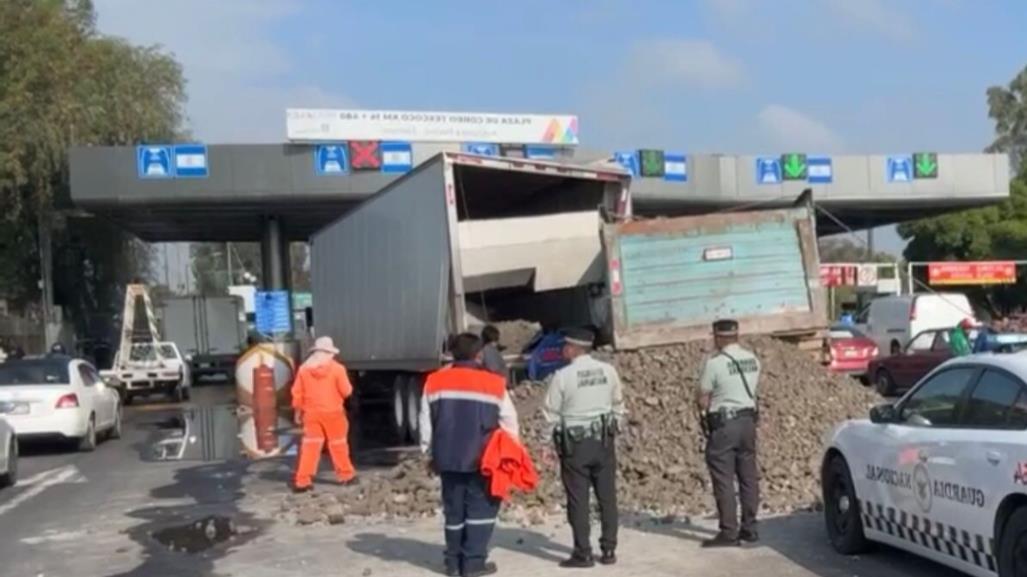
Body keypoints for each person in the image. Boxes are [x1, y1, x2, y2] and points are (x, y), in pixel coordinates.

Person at [419, 333, 519, 577]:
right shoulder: (494, 384)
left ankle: (452, 563)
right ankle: (473, 563)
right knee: (481, 510)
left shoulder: (434, 382)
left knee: (454, 511)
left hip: (447, 458)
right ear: (479, 354)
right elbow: (509, 423)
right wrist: (510, 453)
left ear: (452, 354)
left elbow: (425, 423)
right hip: (483, 459)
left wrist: (429, 453)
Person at [542, 328, 625, 568]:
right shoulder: (608, 371)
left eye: (565, 345)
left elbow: (551, 414)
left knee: (578, 499)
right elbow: (618, 404)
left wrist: (548, 443)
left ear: (576, 348)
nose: (562, 349)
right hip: (603, 441)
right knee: (607, 497)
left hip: (575, 446)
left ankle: (583, 552)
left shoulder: (563, 376)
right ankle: (609, 549)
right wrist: (613, 429)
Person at [696, 319, 761, 548]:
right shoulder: (752, 359)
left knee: (723, 478)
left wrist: (705, 417)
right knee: (748, 476)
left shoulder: (715, 364)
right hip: (748, 422)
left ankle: (729, 532)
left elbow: (703, 397)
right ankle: (750, 529)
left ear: (719, 337)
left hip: (725, 425)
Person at [290, 336, 356, 492]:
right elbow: (347, 391)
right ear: (330, 352)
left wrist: (298, 410)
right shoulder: (337, 369)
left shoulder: (304, 370)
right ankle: (346, 475)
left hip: (311, 415)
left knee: (310, 447)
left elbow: (297, 393)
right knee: (338, 444)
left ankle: (302, 481)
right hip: (334, 413)